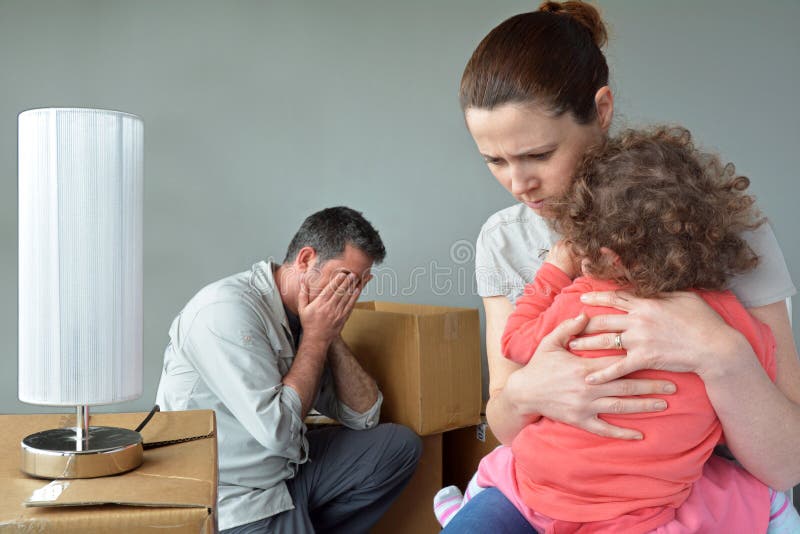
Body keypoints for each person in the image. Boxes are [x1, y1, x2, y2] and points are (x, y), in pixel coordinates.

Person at [442, 1, 800, 532]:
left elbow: (785, 462)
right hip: (551, 483)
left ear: (602, 109)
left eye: (538, 154)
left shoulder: (720, 228)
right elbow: (504, 420)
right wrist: (529, 392)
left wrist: (719, 350)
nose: (518, 184)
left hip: (683, 489)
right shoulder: (504, 240)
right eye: (495, 160)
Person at [155, 206, 422, 534]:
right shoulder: (224, 311)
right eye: (345, 281)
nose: (349, 296)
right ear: (307, 259)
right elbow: (277, 432)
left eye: (359, 285)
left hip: (287, 470)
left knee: (398, 447)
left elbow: (364, 416)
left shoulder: (307, 319)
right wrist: (316, 337)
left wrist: (330, 334)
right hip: (232, 495)